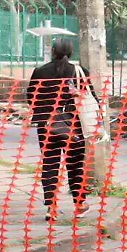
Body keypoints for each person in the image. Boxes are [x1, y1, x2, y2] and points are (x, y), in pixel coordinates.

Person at [28, 38, 89, 221]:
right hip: (73, 125)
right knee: (75, 165)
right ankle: (79, 205)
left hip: (46, 125)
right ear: (70, 52)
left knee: (50, 164)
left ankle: (51, 208)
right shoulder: (79, 72)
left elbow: (31, 97)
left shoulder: (39, 72)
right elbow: (89, 97)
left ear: (53, 51)